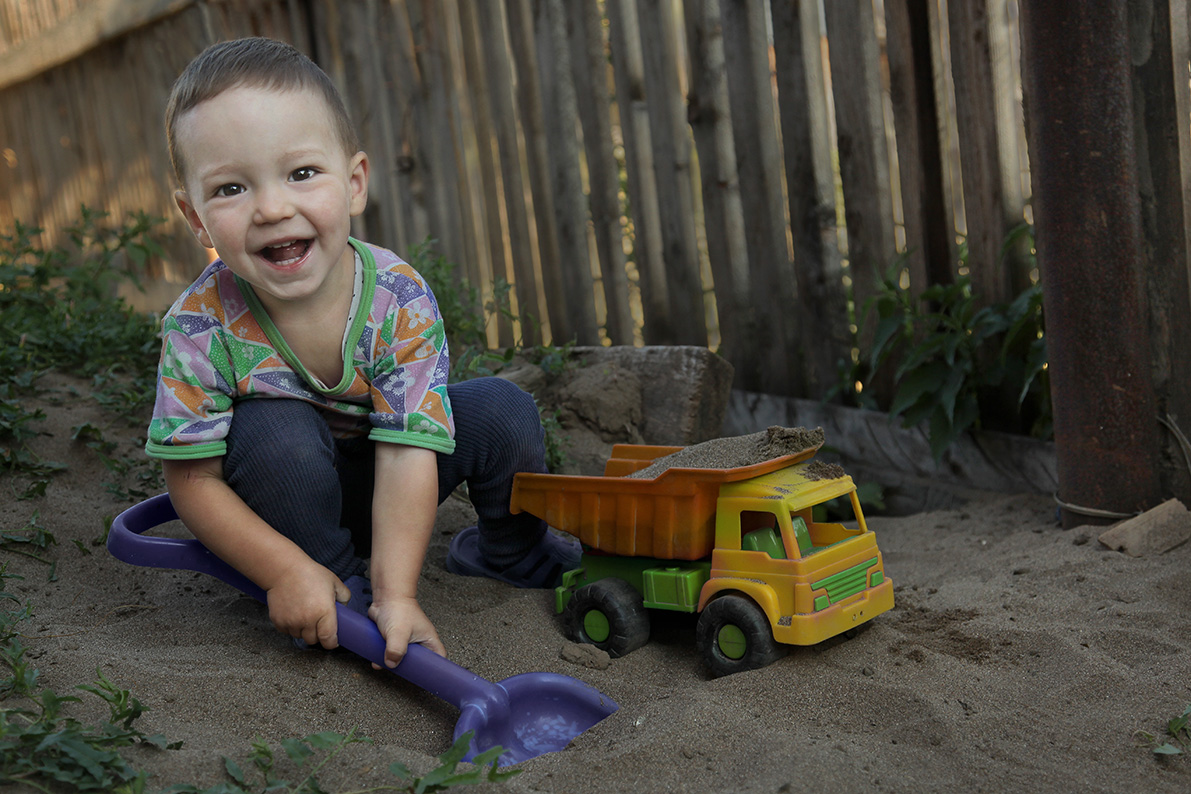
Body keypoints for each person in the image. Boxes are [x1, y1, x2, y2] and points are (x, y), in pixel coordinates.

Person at [146, 36, 578, 670]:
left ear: (353, 183)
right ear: (195, 218)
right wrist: (284, 569)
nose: (272, 207)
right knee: (275, 431)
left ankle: (507, 551)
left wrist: (403, 596)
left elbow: (408, 448)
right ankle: (338, 584)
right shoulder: (199, 326)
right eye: (232, 188)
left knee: (501, 409)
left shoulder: (397, 297)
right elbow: (193, 481)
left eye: (300, 173)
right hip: (287, 492)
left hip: (391, 473)